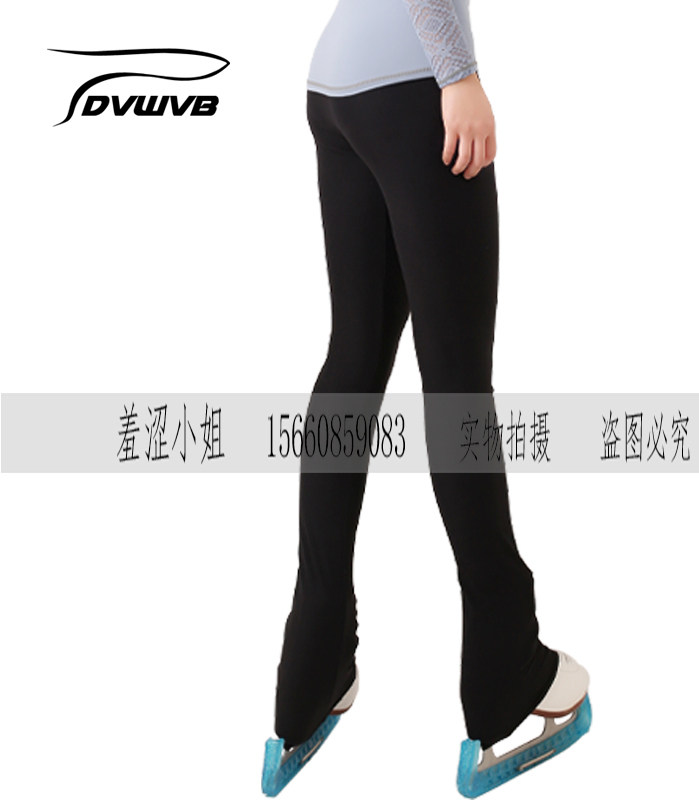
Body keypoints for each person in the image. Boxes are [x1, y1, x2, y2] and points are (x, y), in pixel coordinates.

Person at [261, 3, 591, 796]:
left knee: (353, 359)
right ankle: (508, 667)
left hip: (336, 85)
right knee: (456, 386)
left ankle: (310, 670)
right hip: (415, 88)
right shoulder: (439, 79)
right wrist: (459, 76)